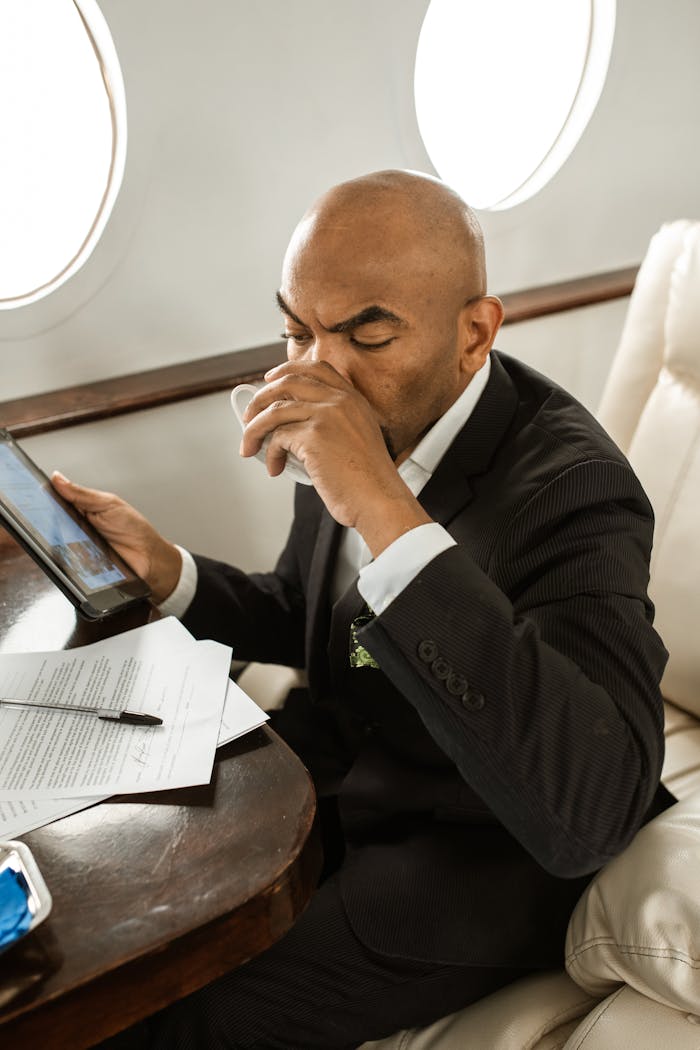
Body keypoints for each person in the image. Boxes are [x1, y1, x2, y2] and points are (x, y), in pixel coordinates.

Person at [54, 170, 671, 1049]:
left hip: (474, 853)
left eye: (368, 333)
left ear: (474, 333)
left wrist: (385, 507)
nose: (318, 370)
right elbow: (315, 613)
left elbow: (593, 803)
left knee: (172, 1011)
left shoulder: (577, 495)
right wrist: (173, 573)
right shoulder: (356, 413)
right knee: (106, 905)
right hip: (336, 770)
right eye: (297, 330)